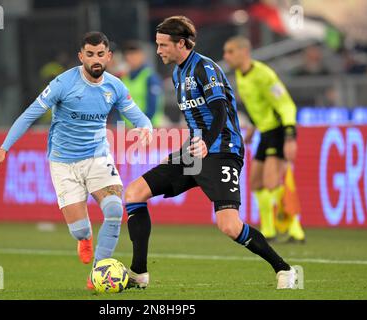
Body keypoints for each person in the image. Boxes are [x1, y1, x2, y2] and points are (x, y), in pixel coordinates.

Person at [123, 16, 299, 290]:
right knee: (134, 193)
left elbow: (219, 110)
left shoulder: (206, 69)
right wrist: (193, 146)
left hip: (222, 151)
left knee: (229, 226)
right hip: (194, 151)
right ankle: (139, 274)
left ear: (181, 43)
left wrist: (207, 141)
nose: (158, 51)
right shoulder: (177, 73)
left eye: (162, 45)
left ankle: (284, 269)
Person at [0, 31, 153, 289]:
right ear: (81, 56)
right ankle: (83, 239)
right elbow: (29, 115)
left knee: (115, 209)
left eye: (100, 54)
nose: (95, 59)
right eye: (89, 54)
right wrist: (4, 148)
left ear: (108, 56)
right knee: (81, 230)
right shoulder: (63, 83)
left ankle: (98, 273)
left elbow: (140, 117)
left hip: (98, 157)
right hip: (64, 163)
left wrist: (146, 130)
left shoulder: (115, 86)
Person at [223, 35, 305, 243]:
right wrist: (252, 128)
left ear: (244, 52)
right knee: (256, 182)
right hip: (265, 132)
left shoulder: (264, 74)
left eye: (230, 51)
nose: (226, 56)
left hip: (278, 131)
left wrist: (290, 137)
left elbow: (286, 105)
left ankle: (295, 228)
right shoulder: (241, 76)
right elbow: (256, 107)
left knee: (271, 182)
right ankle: (268, 231)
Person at [121, 40, 165, 127]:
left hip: (149, 128)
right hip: (128, 130)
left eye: (135, 54)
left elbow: (153, 105)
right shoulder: (123, 79)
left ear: (142, 56)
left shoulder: (150, 77)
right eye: (129, 54)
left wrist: (143, 124)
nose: (132, 58)